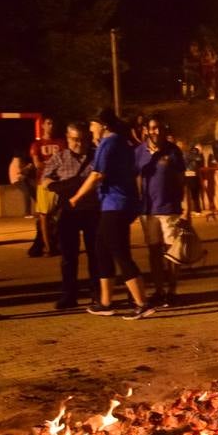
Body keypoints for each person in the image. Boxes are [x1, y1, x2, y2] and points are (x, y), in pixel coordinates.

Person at [68, 110, 152, 319]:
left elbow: (97, 174)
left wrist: (77, 196)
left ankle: (142, 303)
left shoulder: (110, 142)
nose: (90, 129)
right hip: (114, 204)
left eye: (92, 125)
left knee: (119, 252)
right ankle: (105, 302)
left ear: (103, 125)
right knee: (100, 248)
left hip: (115, 204)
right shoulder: (120, 143)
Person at [135, 117, 189, 308]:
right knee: (154, 252)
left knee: (172, 253)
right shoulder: (139, 152)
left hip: (169, 209)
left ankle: (171, 291)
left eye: (158, 128)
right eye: (152, 128)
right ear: (146, 130)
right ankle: (158, 290)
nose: (155, 131)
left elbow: (182, 180)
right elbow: (136, 178)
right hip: (147, 211)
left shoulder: (173, 151)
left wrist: (187, 209)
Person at [44, 123, 99, 310]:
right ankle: (69, 294)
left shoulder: (97, 156)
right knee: (68, 256)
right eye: (75, 139)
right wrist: (63, 186)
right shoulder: (59, 158)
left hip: (93, 210)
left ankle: (97, 293)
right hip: (68, 211)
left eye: (83, 139)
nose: (79, 143)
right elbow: (45, 180)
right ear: (67, 138)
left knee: (95, 254)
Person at [28, 118, 63, 257]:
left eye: (53, 123)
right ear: (42, 125)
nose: (51, 125)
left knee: (60, 215)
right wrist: (55, 166)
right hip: (43, 183)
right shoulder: (37, 144)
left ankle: (59, 243)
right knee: (44, 216)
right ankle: (48, 247)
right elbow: (38, 164)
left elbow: (65, 160)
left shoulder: (61, 143)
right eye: (48, 123)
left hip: (59, 182)